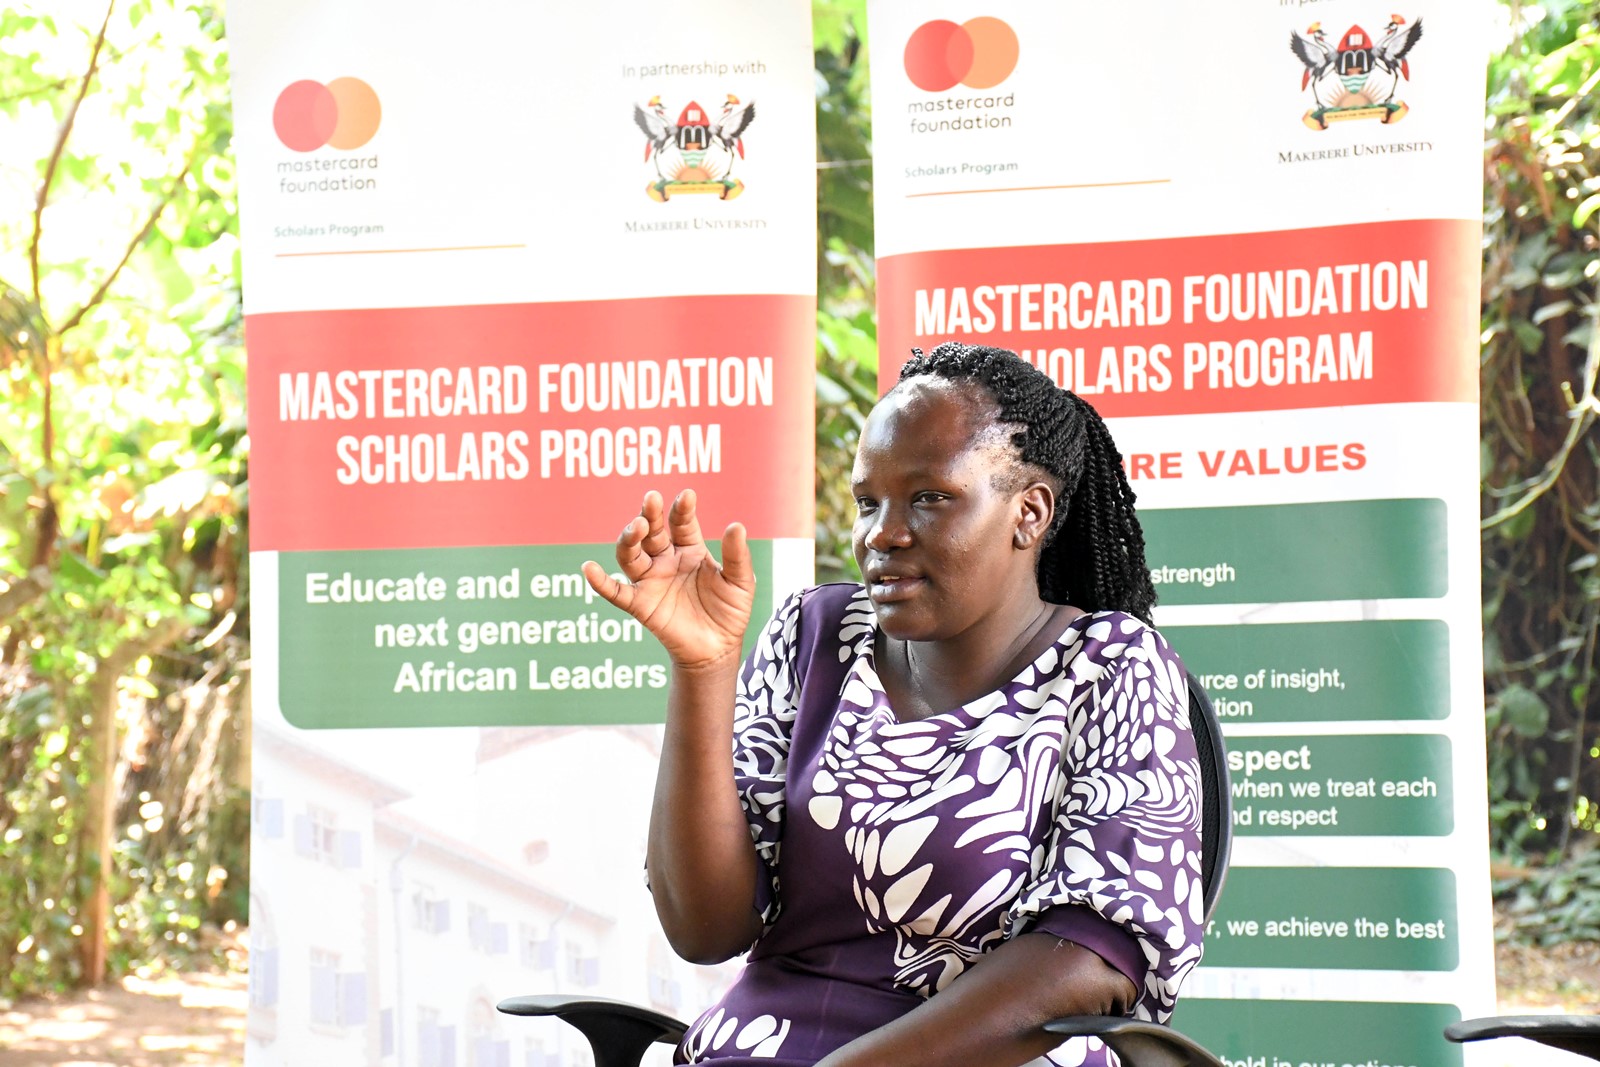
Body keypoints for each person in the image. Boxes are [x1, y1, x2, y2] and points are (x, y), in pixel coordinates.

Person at [582, 342, 1204, 1067]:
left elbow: (1090, 960)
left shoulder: (1110, 666)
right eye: (868, 502)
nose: (882, 534)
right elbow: (705, 928)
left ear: (1029, 511)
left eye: (931, 497)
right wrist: (703, 669)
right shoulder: (816, 635)